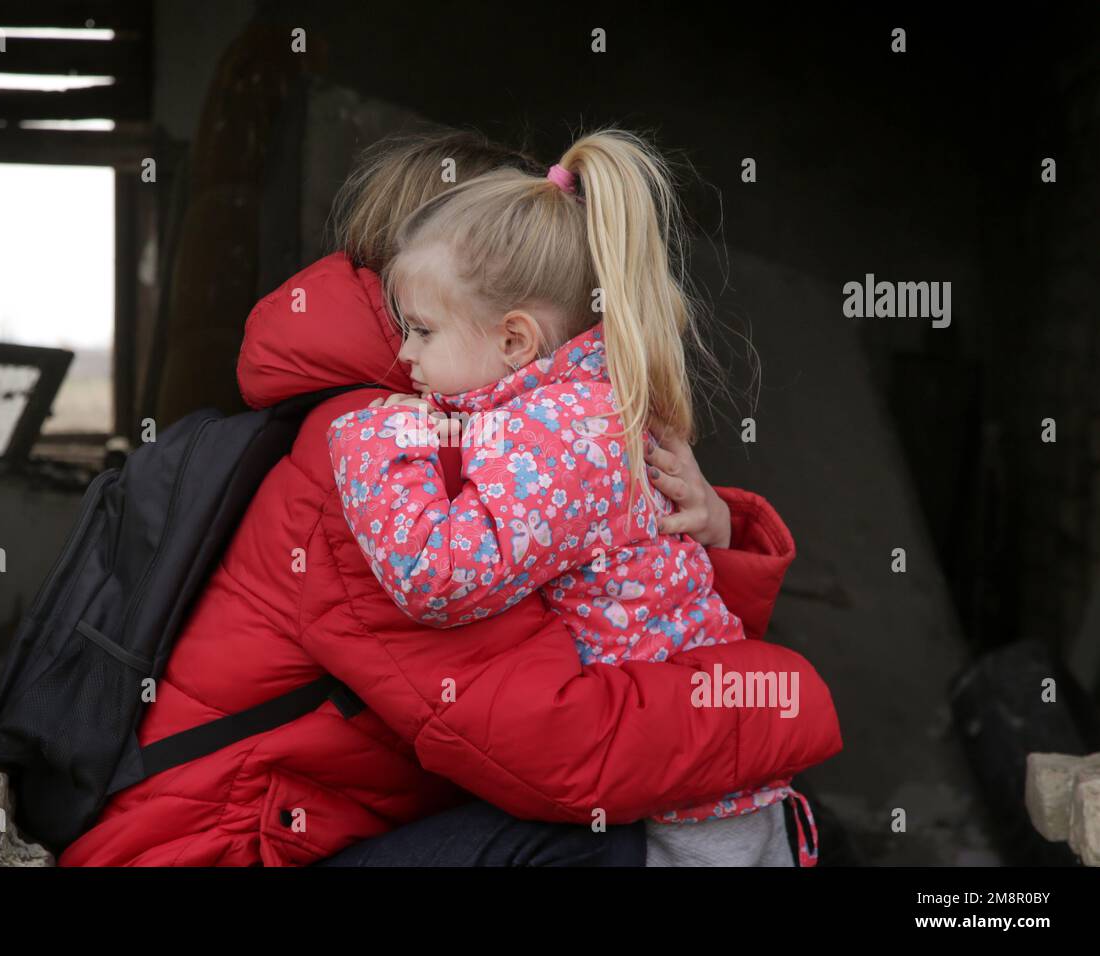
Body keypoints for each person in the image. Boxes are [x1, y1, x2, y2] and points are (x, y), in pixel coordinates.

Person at [56, 128, 841, 867]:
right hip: (217, 852)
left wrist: (705, 524)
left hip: (304, 838)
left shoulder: (468, 429)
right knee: (602, 848)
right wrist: (779, 703)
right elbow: (562, 751)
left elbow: (629, 617)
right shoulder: (372, 458)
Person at [325, 127, 819, 866]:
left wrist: (372, 444)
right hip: (679, 764)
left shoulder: (563, 436)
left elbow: (441, 575)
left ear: (517, 340)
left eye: (421, 330)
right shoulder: (569, 408)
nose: (405, 355)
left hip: (692, 809)